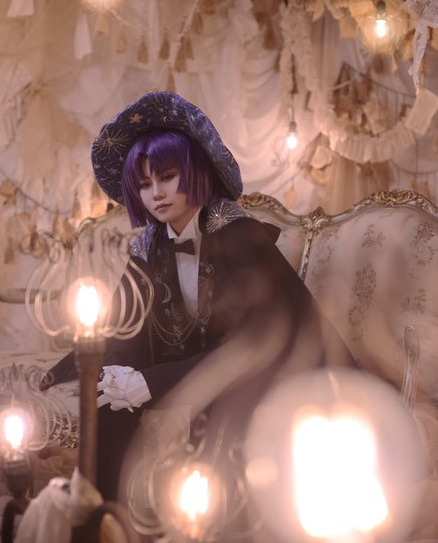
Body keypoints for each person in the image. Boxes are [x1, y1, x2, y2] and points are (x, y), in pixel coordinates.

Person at [43, 90, 355, 511]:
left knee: (224, 411)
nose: (157, 193)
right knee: (109, 402)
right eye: (145, 184)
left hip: (266, 368)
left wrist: (150, 382)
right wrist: (114, 373)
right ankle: (108, 516)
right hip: (196, 369)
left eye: (167, 177)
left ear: (193, 172)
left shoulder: (237, 232)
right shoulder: (150, 245)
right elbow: (123, 324)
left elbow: (255, 344)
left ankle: (214, 518)